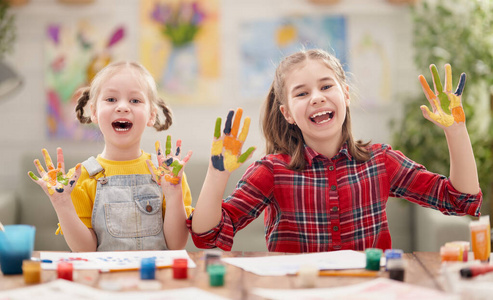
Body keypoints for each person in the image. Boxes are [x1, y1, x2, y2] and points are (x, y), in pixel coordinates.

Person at [188, 49, 482, 253]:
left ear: (345, 95)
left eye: (326, 86)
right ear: (288, 113)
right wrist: (217, 172)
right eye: (302, 93)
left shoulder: (381, 161)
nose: (316, 98)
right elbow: (206, 236)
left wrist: (455, 131)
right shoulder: (271, 171)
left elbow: (460, 201)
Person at [29, 61, 193, 252]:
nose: (122, 107)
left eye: (135, 100)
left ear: (152, 115)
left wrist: (174, 194)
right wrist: (62, 203)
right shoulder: (80, 178)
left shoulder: (169, 175)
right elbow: (86, 251)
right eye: (111, 99)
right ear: (94, 112)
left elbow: (177, 245)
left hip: (157, 279)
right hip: (104, 280)